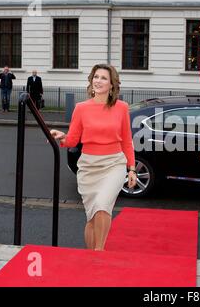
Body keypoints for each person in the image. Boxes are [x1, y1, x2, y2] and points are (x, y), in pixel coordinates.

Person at [50, 64, 137, 251]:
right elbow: (73, 140)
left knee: (102, 205)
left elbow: (127, 141)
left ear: (112, 84)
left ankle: (100, 252)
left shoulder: (121, 108)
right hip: (89, 167)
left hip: (114, 164)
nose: (98, 81)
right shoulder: (81, 108)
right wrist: (62, 137)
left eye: (103, 78)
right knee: (91, 216)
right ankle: (90, 257)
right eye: (96, 77)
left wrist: (132, 168)